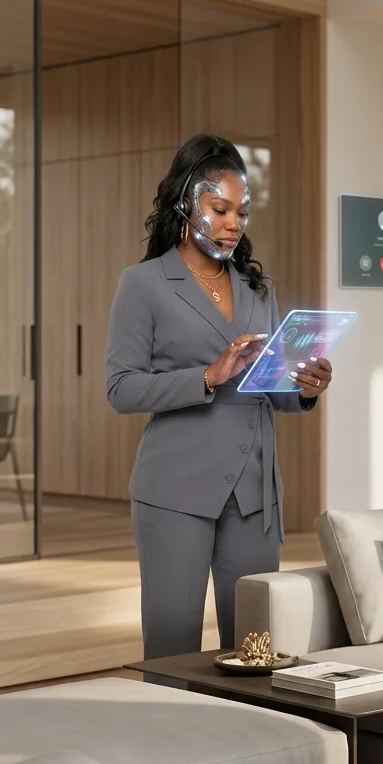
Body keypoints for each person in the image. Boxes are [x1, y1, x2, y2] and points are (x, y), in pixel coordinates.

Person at [106, 133, 332, 662]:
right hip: (175, 491)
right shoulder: (143, 284)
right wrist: (208, 376)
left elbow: (269, 388)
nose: (234, 223)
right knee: (173, 650)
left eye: (242, 213)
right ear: (186, 204)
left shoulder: (259, 287)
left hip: (254, 495)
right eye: (220, 209)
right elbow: (120, 388)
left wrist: (304, 387)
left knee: (255, 651)